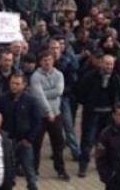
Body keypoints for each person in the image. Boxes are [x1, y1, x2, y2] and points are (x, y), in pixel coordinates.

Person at [77, 54, 120, 178]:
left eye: (111, 64)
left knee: (106, 141)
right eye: (107, 64)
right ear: (101, 64)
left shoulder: (116, 78)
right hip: (92, 113)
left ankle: (106, 166)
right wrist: (89, 105)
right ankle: (83, 165)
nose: (109, 66)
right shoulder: (90, 76)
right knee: (88, 140)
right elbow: (81, 93)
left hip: (108, 114)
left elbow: (119, 94)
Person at [0, 73, 41, 190]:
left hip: (24, 141)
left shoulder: (31, 100)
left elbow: (37, 121)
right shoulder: (1, 100)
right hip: (7, 141)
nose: (14, 86)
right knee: (8, 170)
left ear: (24, 85)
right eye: (12, 83)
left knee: (29, 170)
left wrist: (30, 139)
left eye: (17, 84)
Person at [29, 51, 70, 181]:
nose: (47, 62)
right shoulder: (35, 76)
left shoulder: (59, 75)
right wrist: (48, 111)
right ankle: (34, 170)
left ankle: (60, 170)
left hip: (56, 114)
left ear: (53, 61)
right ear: (40, 62)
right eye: (44, 60)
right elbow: (37, 96)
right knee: (36, 145)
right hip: (40, 116)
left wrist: (43, 93)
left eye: (49, 60)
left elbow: (59, 91)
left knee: (58, 143)